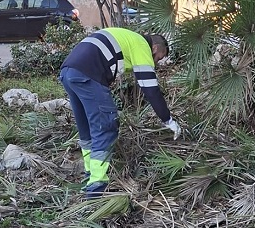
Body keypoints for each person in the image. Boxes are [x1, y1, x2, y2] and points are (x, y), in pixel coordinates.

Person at [59, 27, 181, 197]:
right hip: (88, 74)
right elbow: (151, 89)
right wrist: (167, 119)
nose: (155, 63)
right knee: (106, 127)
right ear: (154, 48)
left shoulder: (129, 38)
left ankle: (89, 177)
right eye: (158, 58)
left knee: (87, 130)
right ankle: (96, 190)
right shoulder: (142, 45)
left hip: (68, 72)